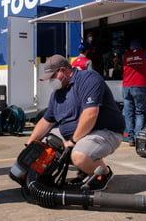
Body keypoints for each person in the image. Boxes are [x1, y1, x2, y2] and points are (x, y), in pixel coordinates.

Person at [27, 55, 125, 191]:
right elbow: (46, 121)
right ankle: (85, 169)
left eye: (52, 76)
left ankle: (104, 174)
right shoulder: (57, 93)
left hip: (104, 131)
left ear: (63, 70)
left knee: (79, 156)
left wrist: (72, 141)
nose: (50, 80)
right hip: (77, 134)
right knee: (42, 148)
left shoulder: (88, 78)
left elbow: (91, 113)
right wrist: (31, 143)